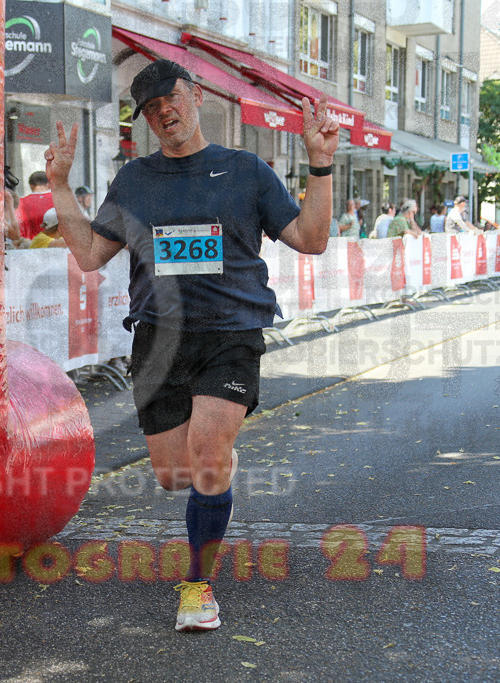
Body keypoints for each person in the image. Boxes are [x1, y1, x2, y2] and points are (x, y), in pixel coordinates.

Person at [43, 59, 338, 632]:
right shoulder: (134, 180)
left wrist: (320, 163)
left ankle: (198, 586)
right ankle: (216, 462)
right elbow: (90, 254)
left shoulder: (245, 170)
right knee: (174, 476)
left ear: (195, 95)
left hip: (230, 333)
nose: (165, 113)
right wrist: (58, 186)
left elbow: (312, 239)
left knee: (205, 457)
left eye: (171, 99)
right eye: (152, 109)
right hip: (157, 339)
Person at [15, 171, 54, 239]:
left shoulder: (21, 202)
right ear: (49, 184)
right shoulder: (59, 199)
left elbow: (19, 225)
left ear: (31, 185)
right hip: (57, 243)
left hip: (32, 245)